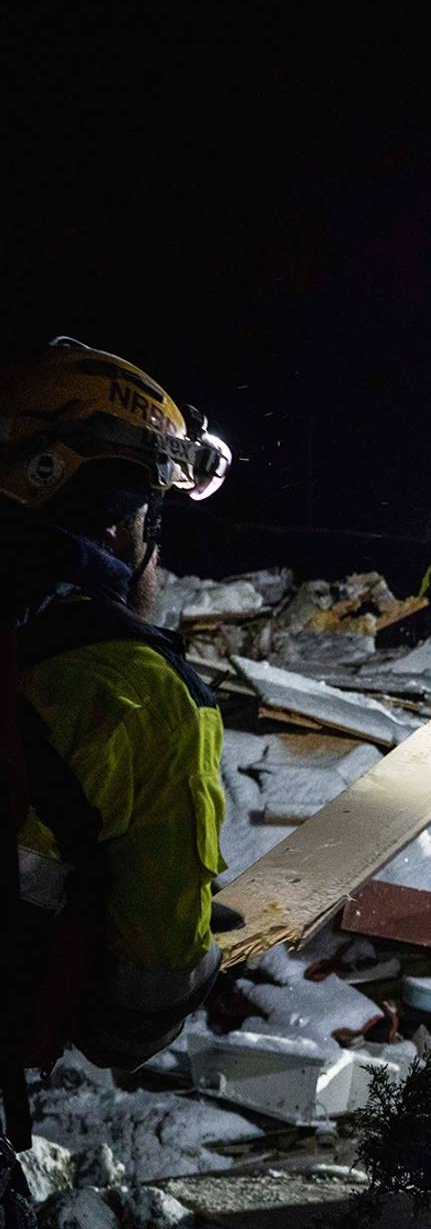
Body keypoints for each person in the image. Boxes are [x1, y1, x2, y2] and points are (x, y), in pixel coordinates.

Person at [0, 338, 233, 1182]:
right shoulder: (136, 690)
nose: (156, 553)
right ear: (116, 515)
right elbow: (140, 1006)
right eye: (151, 519)